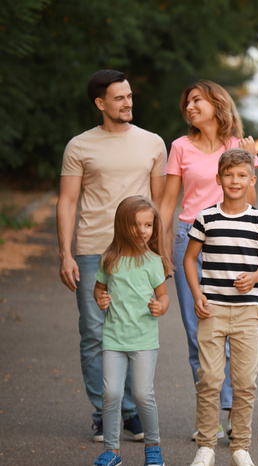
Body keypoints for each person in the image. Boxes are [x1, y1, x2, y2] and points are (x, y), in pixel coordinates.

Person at [56, 69, 167, 441]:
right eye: (119, 98)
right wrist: (64, 254)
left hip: (137, 252)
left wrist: (160, 252)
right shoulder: (79, 146)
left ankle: (131, 412)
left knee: (135, 329)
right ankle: (105, 414)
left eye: (130, 96)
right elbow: (68, 201)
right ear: (100, 104)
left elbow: (160, 204)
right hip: (92, 249)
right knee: (94, 332)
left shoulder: (153, 143)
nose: (128, 102)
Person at [159, 80, 258, 439]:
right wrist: (162, 249)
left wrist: (250, 160)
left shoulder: (239, 145)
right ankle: (211, 416)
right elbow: (169, 203)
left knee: (233, 331)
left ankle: (234, 412)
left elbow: (250, 197)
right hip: (191, 242)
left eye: (196, 100)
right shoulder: (180, 147)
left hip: (232, 242)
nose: (189, 107)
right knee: (198, 332)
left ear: (217, 103)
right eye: (187, 102)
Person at [184, 149, 258, 466]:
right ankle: (206, 445)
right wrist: (197, 294)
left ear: (251, 180)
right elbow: (188, 258)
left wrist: (253, 277)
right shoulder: (206, 218)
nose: (235, 181)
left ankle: (240, 445)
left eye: (241, 176)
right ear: (218, 179)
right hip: (212, 309)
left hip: (247, 312)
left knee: (244, 381)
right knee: (209, 378)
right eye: (229, 175)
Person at [92, 196, 173, 466]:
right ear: (122, 225)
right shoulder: (109, 259)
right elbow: (99, 289)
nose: (142, 231)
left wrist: (160, 307)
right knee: (112, 394)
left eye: (148, 225)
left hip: (144, 340)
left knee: (141, 394)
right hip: (114, 339)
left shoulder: (153, 261)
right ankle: (112, 450)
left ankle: (153, 447)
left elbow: (164, 297)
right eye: (136, 225)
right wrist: (100, 299)